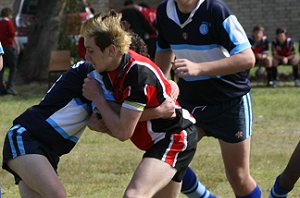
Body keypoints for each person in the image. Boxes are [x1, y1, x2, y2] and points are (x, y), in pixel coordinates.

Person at [2, 32, 176, 197]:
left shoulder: (113, 79)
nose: (87, 56)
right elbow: (122, 116)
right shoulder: (94, 75)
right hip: (27, 137)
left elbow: (110, 119)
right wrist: (158, 112)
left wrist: (170, 86)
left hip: (49, 150)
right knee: (57, 194)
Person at [80, 10, 198, 197]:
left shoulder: (138, 75)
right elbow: (105, 119)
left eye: (91, 51)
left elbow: (122, 131)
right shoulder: (105, 70)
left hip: (175, 136)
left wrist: (98, 99)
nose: (86, 57)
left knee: (134, 195)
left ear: (111, 50)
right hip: (158, 140)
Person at [155, 0, 261, 197]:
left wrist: (199, 68)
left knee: (238, 176)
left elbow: (248, 58)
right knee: (166, 162)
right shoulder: (164, 12)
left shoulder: (216, 10)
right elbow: (163, 50)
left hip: (230, 100)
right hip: (190, 101)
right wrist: (158, 88)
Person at [0, 7, 20, 95]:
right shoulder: (8, 22)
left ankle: (1, 87)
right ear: (9, 14)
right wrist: (17, 46)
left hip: (1, 47)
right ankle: (9, 86)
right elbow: (13, 35)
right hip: (8, 47)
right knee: (13, 67)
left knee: (2, 68)